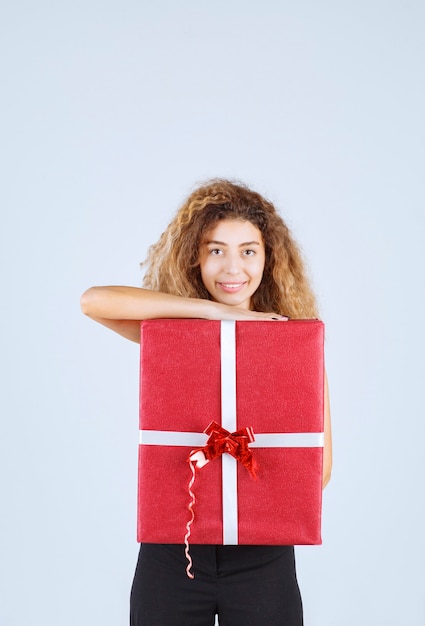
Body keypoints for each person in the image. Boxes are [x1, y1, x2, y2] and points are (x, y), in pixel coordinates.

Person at [81, 178, 332, 626]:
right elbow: (93, 302)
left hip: (264, 557)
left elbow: (320, 469)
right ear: (194, 258)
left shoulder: (297, 344)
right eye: (216, 250)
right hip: (171, 555)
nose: (232, 267)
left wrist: (243, 465)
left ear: (268, 259)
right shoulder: (170, 338)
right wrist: (218, 313)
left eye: (248, 251)